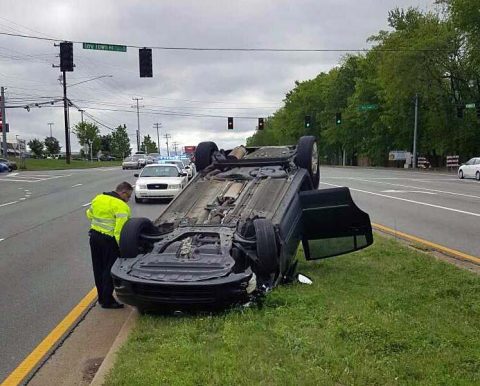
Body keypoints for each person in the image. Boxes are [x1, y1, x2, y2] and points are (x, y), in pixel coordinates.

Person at [86, 182, 133, 309]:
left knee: (98, 269)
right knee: (109, 270)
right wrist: (122, 246)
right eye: (128, 196)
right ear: (123, 193)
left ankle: (102, 297)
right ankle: (107, 300)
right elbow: (120, 230)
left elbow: (89, 214)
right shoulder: (121, 206)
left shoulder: (98, 198)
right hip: (109, 241)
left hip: (94, 238)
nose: (128, 200)